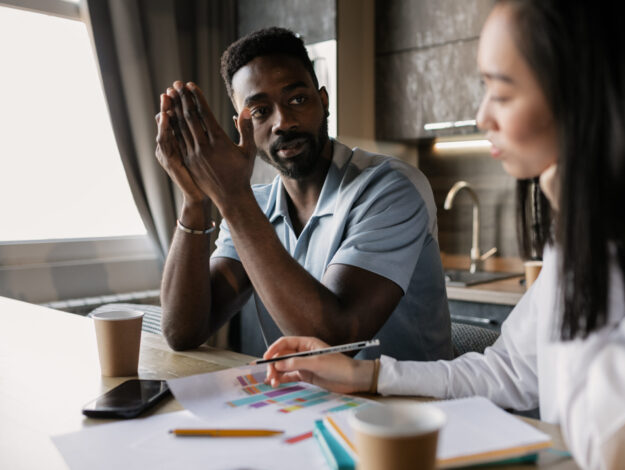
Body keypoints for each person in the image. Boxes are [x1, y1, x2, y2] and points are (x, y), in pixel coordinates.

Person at [262, 2, 625, 469]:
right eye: (483, 88)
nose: (481, 115)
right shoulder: (599, 211)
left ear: (588, 91)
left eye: (503, 92)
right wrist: (365, 374)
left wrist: (579, 213)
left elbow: (610, 447)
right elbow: (511, 370)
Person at [154, 27, 453, 361]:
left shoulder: (390, 187)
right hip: (310, 405)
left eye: (297, 99)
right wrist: (195, 200)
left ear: (323, 101)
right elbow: (182, 331)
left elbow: (335, 341)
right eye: (259, 111)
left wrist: (231, 197)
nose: (283, 122)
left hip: (409, 409)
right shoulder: (255, 206)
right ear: (243, 127)